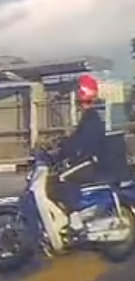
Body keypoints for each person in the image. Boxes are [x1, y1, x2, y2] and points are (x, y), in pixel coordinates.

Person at [51, 73, 107, 233]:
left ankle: (76, 219)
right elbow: (76, 140)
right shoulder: (89, 116)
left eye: (77, 91)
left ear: (84, 93)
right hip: (89, 160)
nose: (75, 96)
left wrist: (63, 151)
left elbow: (80, 144)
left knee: (62, 179)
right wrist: (61, 146)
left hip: (91, 163)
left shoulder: (91, 118)